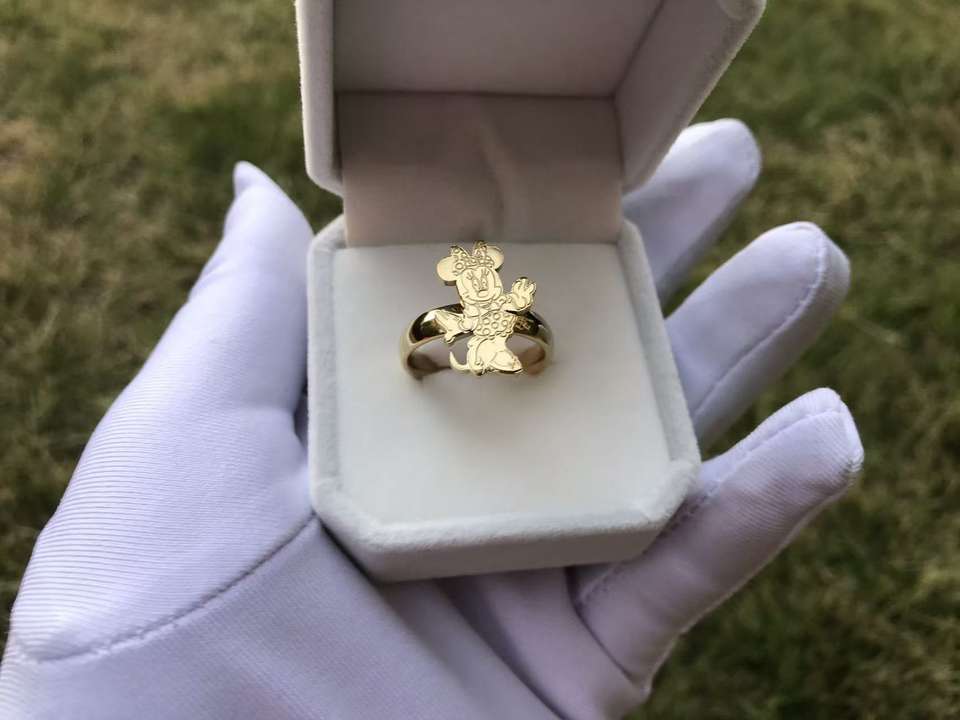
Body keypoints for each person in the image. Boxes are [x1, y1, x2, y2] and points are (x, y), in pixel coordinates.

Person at [0, 119, 863, 719]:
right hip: (464, 341)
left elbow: (519, 336)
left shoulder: (504, 307)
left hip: (501, 340)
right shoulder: (449, 315)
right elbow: (434, 344)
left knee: (509, 342)